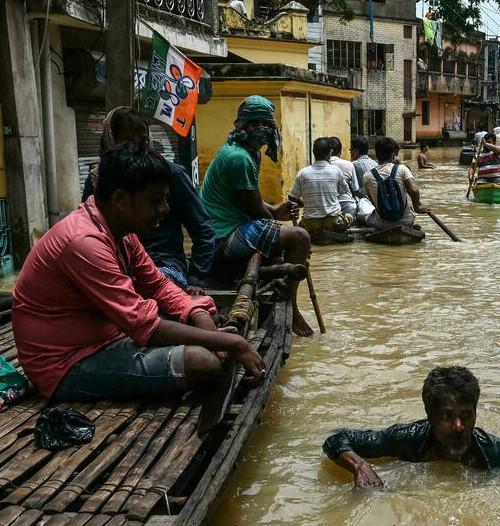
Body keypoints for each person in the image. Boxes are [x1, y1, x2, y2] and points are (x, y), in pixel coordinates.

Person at [13, 142, 265, 401]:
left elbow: (158, 285)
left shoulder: (120, 233)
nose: (165, 209)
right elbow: (145, 326)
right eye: (156, 200)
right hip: (65, 366)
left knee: (200, 331)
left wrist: (199, 315)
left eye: (166, 199)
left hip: (107, 340)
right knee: (203, 362)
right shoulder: (84, 242)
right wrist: (228, 342)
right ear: (122, 200)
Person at [199, 95, 314, 337]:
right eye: (255, 123)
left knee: (289, 234)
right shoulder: (239, 158)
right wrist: (274, 217)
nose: (262, 129)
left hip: (229, 228)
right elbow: (254, 209)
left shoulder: (248, 153)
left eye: (267, 123)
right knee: (301, 237)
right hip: (222, 239)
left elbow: (253, 200)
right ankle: (292, 306)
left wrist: (274, 211)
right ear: (242, 125)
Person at [323, 366, 500, 488]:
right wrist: (361, 467)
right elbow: (337, 439)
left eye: (466, 416)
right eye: (448, 416)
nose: (459, 427)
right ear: (429, 416)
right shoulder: (407, 438)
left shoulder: (492, 452)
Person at [81, 107, 215, 295]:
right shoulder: (98, 180)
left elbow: (203, 228)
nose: (139, 147)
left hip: (163, 264)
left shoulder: (170, 174)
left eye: (143, 140)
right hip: (114, 265)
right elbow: (92, 227)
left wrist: (196, 278)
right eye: (128, 141)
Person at [290, 138, 354, 241]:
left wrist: (302, 202)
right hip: (333, 222)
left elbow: (291, 197)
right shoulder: (336, 171)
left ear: (313, 153)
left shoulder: (303, 173)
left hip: (310, 223)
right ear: (330, 153)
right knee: (349, 216)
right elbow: (344, 191)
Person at [363, 136, 430, 229]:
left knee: (364, 217)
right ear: (393, 154)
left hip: (381, 224)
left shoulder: (367, 176)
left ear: (376, 154)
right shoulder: (403, 169)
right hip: (406, 221)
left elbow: (371, 200)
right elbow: (414, 190)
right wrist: (417, 207)